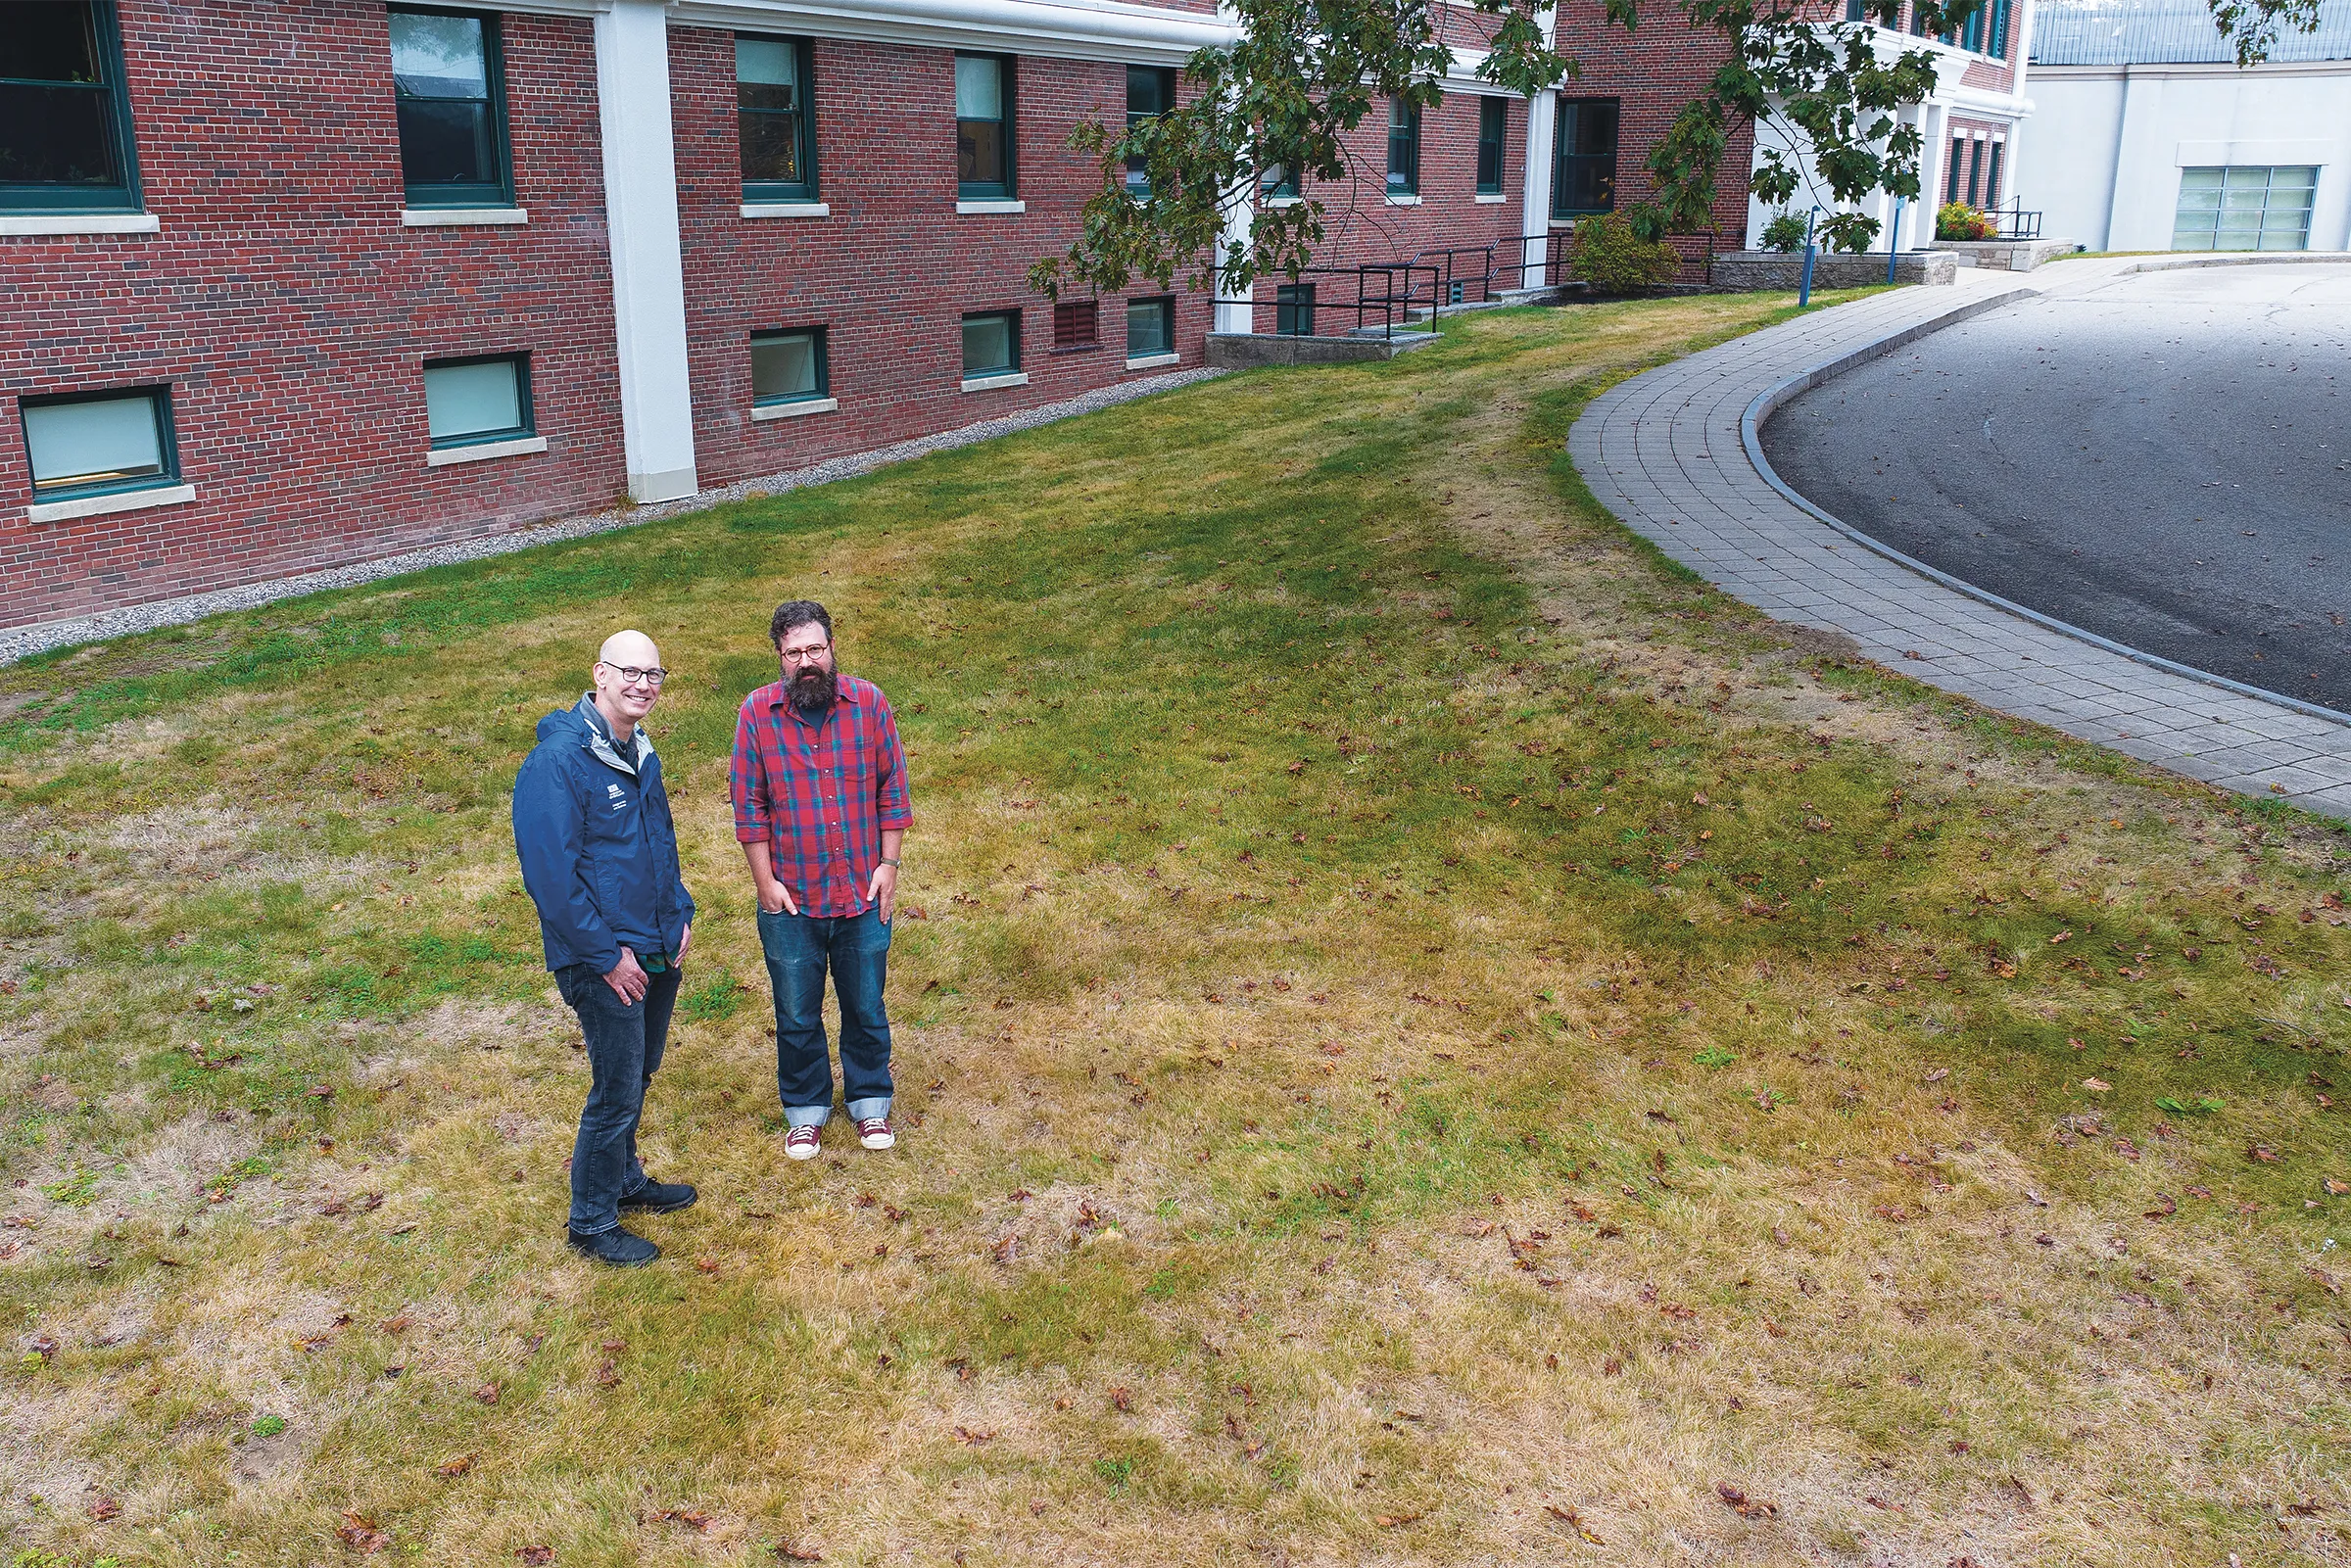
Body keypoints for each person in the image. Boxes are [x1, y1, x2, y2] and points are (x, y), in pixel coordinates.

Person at [513, 630, 698, 1266]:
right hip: (603, 958)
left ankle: (624, 1179)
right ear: (600, 673)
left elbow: (659, 842)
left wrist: (679, 914)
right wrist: (605, 956)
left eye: (654, 674)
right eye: (630, 671)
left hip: (654, 944)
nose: (643, 684)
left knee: (637, 1071)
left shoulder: (638, 749)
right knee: (615, 1087)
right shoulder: (558, 762)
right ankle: (591, 1222)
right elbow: (551, 878)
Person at [729, 600, 912, 1160]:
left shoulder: (870, 704)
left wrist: (888, 865)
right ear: (779, 657)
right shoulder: (757, 713)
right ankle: (805, 1111)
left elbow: (892, 789)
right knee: (796, 1013)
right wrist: (765, 883)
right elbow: (749, 806)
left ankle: (870, 1101)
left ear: (832, 648)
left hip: (862, 891)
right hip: (791, 898)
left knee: (866, 1006)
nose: (806, 661)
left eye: (815, 649)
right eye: (794, 653)